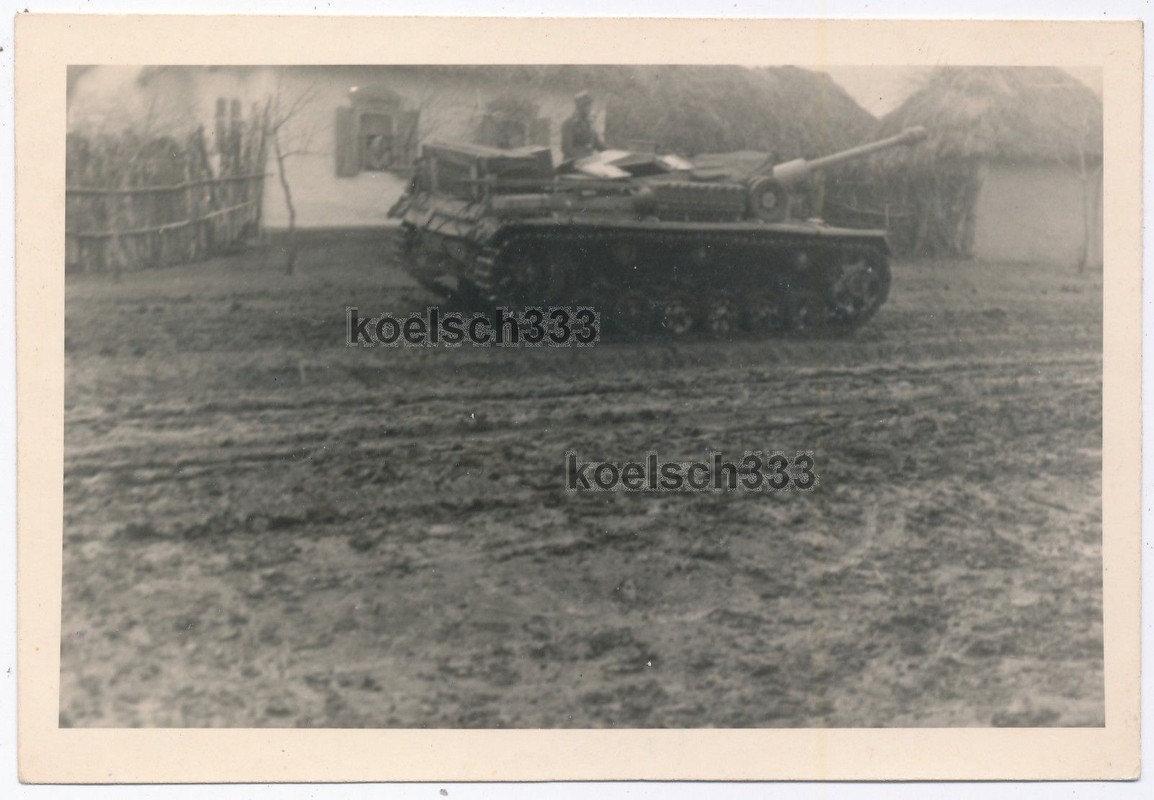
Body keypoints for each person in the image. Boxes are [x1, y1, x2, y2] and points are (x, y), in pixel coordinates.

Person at [560, 91, 607, 161]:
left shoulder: (589, 124)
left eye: (589, 105)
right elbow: (567, 149)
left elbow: (598, 145)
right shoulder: (569, 124)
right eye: (585, 105)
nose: (589, 108)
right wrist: (585, 155)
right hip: (572, 164)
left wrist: (612, 153)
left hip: (588, 162)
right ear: (579, 107)